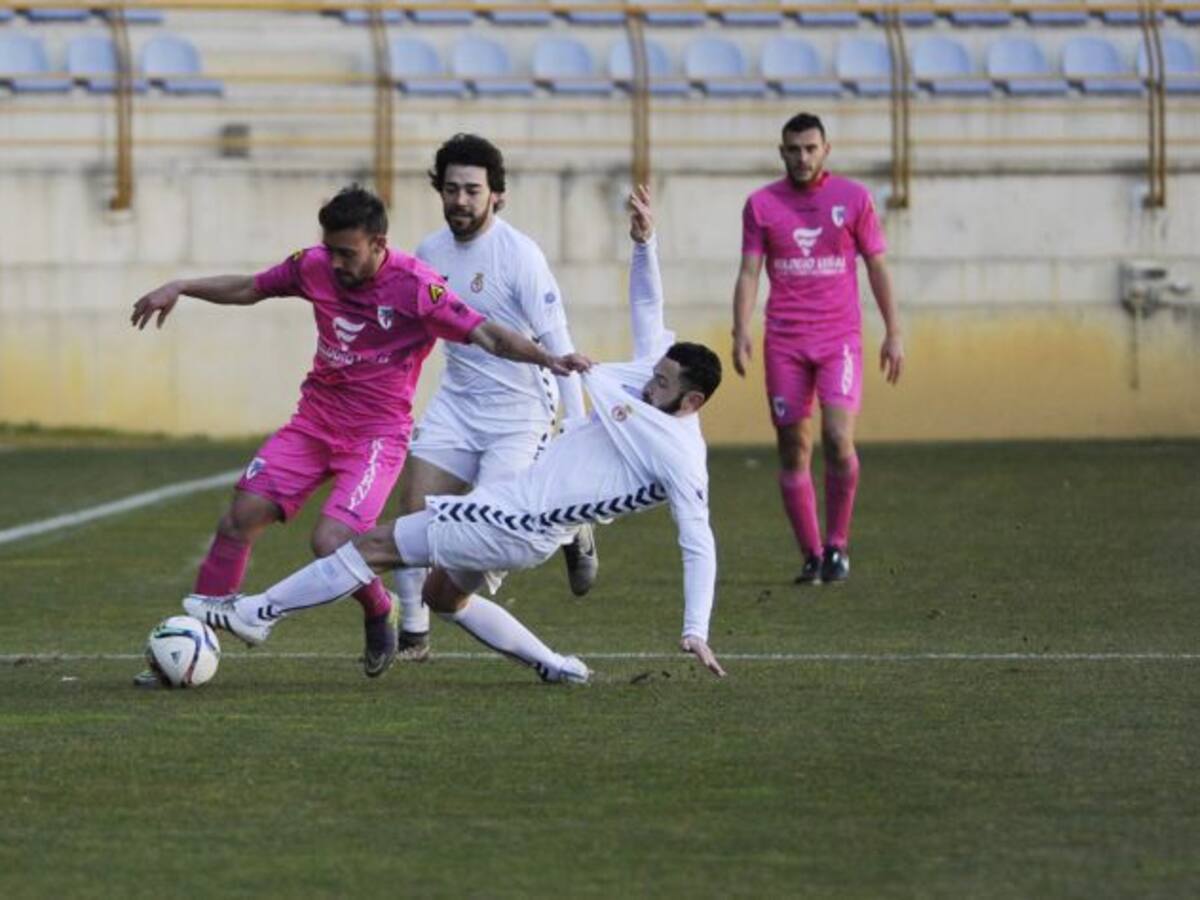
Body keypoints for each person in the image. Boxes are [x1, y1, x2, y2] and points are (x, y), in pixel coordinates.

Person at [183, 186, 727, 682]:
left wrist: (695, 628)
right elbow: (649, 306)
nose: (647, 382)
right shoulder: (650, 378)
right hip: (522, 520)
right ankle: (556, 666)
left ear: (692, 402)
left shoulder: (679, 456)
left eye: (661, 383)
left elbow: (697, 541)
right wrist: (644, 242)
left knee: (371, 545)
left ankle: (258, 613)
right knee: (446, 596)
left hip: (513, 519)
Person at [130, 185, 588, 685]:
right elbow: (251, 288)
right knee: (239, 518)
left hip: (375, 437)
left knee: (332, 542)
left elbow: (487, 333)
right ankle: (191, 649)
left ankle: (377, 609)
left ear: (378, 243)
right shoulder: (313, 266)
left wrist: (547, 358)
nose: (336, 263)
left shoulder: (417, 287)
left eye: (346, 253)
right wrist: (182, 286)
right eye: (330, 250)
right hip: (313, 423)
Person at [392, 134, 597, 665]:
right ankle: (412, 632)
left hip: (520, 415)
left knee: (486, 529)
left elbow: (560, 345)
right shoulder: (429, 252)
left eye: (473, 190)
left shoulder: (520, 255)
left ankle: (571, 529)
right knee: (413, 512)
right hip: (458, 405)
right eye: (452, 189)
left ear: (496, 196)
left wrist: (576, 429)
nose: (461, 200)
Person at [731, 113, 903, 586]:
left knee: (837, 437)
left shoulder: (854, 200)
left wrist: (893, 331)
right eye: (793, 149)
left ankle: (838, 545)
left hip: (838, 340)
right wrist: (740, 329)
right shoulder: (762, 205)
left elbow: (877, 267)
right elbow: (749, 272)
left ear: (826, 149)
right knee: (793, 446)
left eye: (810, 148)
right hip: (784, 341)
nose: (802, 157)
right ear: (781, 151)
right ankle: (811, 553)